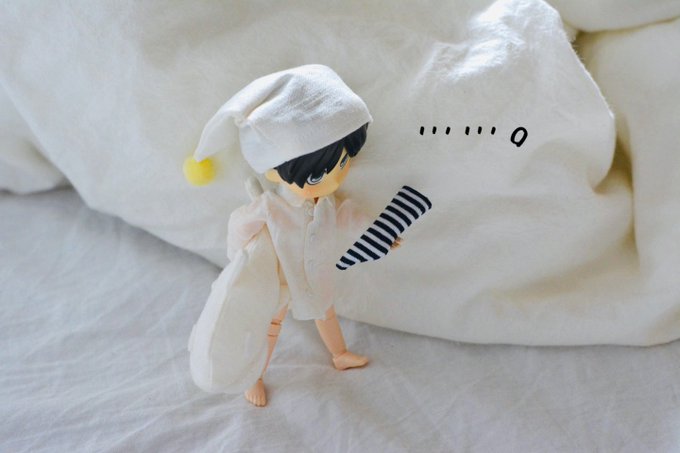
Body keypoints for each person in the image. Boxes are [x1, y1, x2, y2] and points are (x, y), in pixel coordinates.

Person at [184, 64, 397, 407]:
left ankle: (339, 354)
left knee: (325, 312)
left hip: (316, 274)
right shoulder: (272, 206)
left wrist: (380, 232)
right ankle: (254, 375)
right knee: (270, 327)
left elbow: (346, 216)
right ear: (274, 172)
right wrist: (243, 259)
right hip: (280, 278)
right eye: (317, 176)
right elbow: (239, 225)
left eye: (343, 163)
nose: (334, 180)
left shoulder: (325, 202)